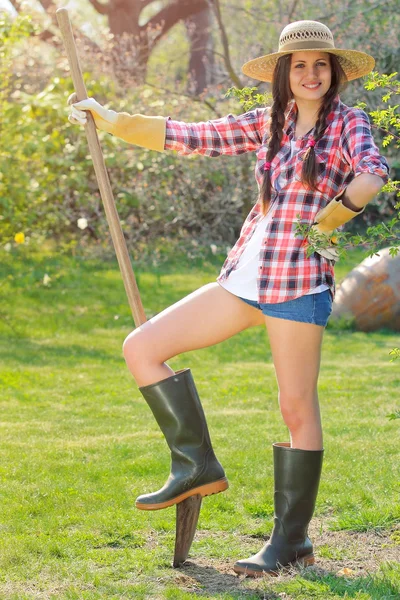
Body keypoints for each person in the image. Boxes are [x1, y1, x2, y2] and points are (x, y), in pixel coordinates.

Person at [69, 20, 389, 577]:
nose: (310, 74)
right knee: (142, 348)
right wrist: (106, 118)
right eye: (299, 65)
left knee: (296, 408)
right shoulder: (269, 124)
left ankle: (291, 540)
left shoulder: (348, 123)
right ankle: (195, 464)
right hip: (243, 279)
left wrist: (332, 218)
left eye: (320, 64)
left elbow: (372, 174)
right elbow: (190, 135)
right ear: (285, 76)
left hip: (298, 284)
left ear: (333, 72)